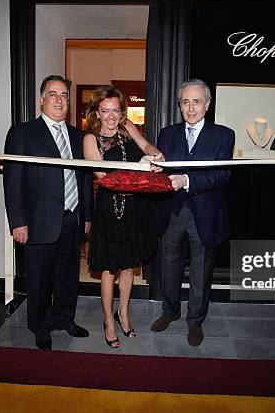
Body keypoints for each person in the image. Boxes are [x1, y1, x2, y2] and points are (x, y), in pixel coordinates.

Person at [3, 75, 93, 350]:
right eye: (53, 94)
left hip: (72, 219)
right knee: (40, 279)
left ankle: (64, 318)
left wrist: (87, 215)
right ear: (42, 99)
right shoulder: (22, 133)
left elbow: (86, 178)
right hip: (38, 221)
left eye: (64, 94)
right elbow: (12, 181)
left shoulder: (79, 136)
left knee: (67, 276)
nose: (59, 99)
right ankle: (40, 326)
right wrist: (17, 222)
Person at [151, 79, 235, 346]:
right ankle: (170, 311)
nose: (190, 107)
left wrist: (186, 180)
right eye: (185, 102)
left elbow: (222, 174)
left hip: (205, 215)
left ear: (207, 105)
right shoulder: (167, 134)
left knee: (201, 270)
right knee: (169, 266)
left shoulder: (224, 135)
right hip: (172, 211)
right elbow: (161, 169)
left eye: (196, 101)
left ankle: (195, 321)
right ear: (179, 105)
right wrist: (152, 168)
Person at [83, 86, 164, 348]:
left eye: (116, 110)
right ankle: (108, 320)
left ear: (122, 111)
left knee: (129, 266)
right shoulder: (90, 139)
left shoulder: (127, 126)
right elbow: (103, 178)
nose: (111, 115)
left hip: (133, 208)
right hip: (110, 209)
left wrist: (154, 154)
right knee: (109, 269)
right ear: (97, 111)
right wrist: (141, 173)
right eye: (105, 110)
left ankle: (123, 314)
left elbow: (145, 145)